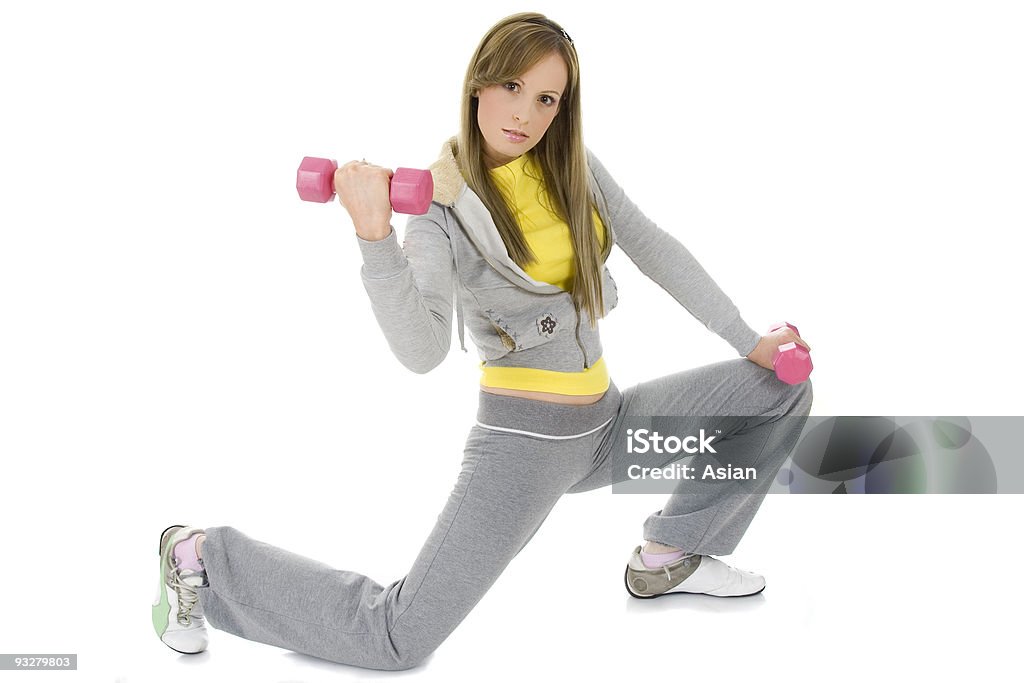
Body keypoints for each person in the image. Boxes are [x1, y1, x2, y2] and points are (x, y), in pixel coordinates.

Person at [151, 12, 813, 671]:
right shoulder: (439, 204)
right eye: (511, 87)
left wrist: (749, 339)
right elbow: (421, 350)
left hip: (607, 431)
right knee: (396, 637)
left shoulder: (572, 166)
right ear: (478, 85)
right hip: (524, 452)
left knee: (779, 387)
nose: (525, 113)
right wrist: (375, 234)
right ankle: (199, 559)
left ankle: (671, 555)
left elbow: (654, 247)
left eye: (546, 98)